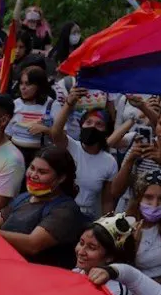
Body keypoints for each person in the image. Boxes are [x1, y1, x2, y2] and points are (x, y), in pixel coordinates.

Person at [0, 145, 86, 268]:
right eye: (32, 168)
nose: (33, 175)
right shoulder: (24, 198)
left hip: (36, 274)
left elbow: (32, 244)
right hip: (6, 265)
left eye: (42, 172)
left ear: (61, 178)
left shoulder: (65, 210)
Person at [48, 85, 122, 219]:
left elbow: (107, 201)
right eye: (88, 122)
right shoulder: (70, 146)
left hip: (88, 216)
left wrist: (106, 224)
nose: (92, 127)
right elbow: (56, 133)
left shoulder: (110, 162)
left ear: (106, 132)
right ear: (81, 125)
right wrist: (69, 104)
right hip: (59, 211)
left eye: (99, 124)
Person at [74, 213, 136, 295]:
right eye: (81, 243)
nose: (81, 252)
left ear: (110, 257)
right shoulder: (76, 272)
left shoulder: (117, 290)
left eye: (92, 248)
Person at [7, 66, 52, 165]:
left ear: (39, 86)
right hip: (14, 154)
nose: (23, 88)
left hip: (39, 156)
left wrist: (46, 130)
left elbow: (61, 135)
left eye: (28, 84)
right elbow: (7, 134)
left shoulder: (51, 105)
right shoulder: (16, 104)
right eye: (21, 83)